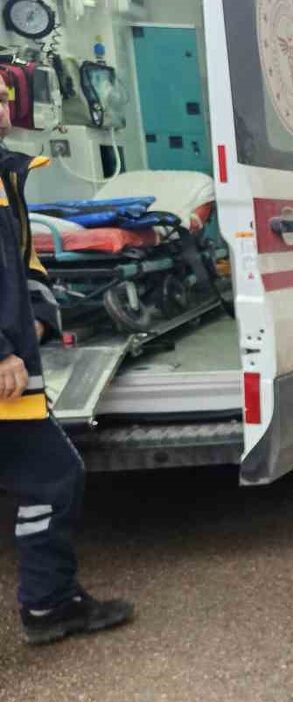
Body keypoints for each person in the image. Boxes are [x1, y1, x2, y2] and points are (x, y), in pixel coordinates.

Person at [0, 80, 133, 644]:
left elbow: (24, 259)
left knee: (48, 477)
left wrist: (37, 315)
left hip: (14, 365)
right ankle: (48, 603)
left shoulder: (7, 178)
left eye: (6, 94)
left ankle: (49, 601)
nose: (4, 106)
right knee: (53, 475)